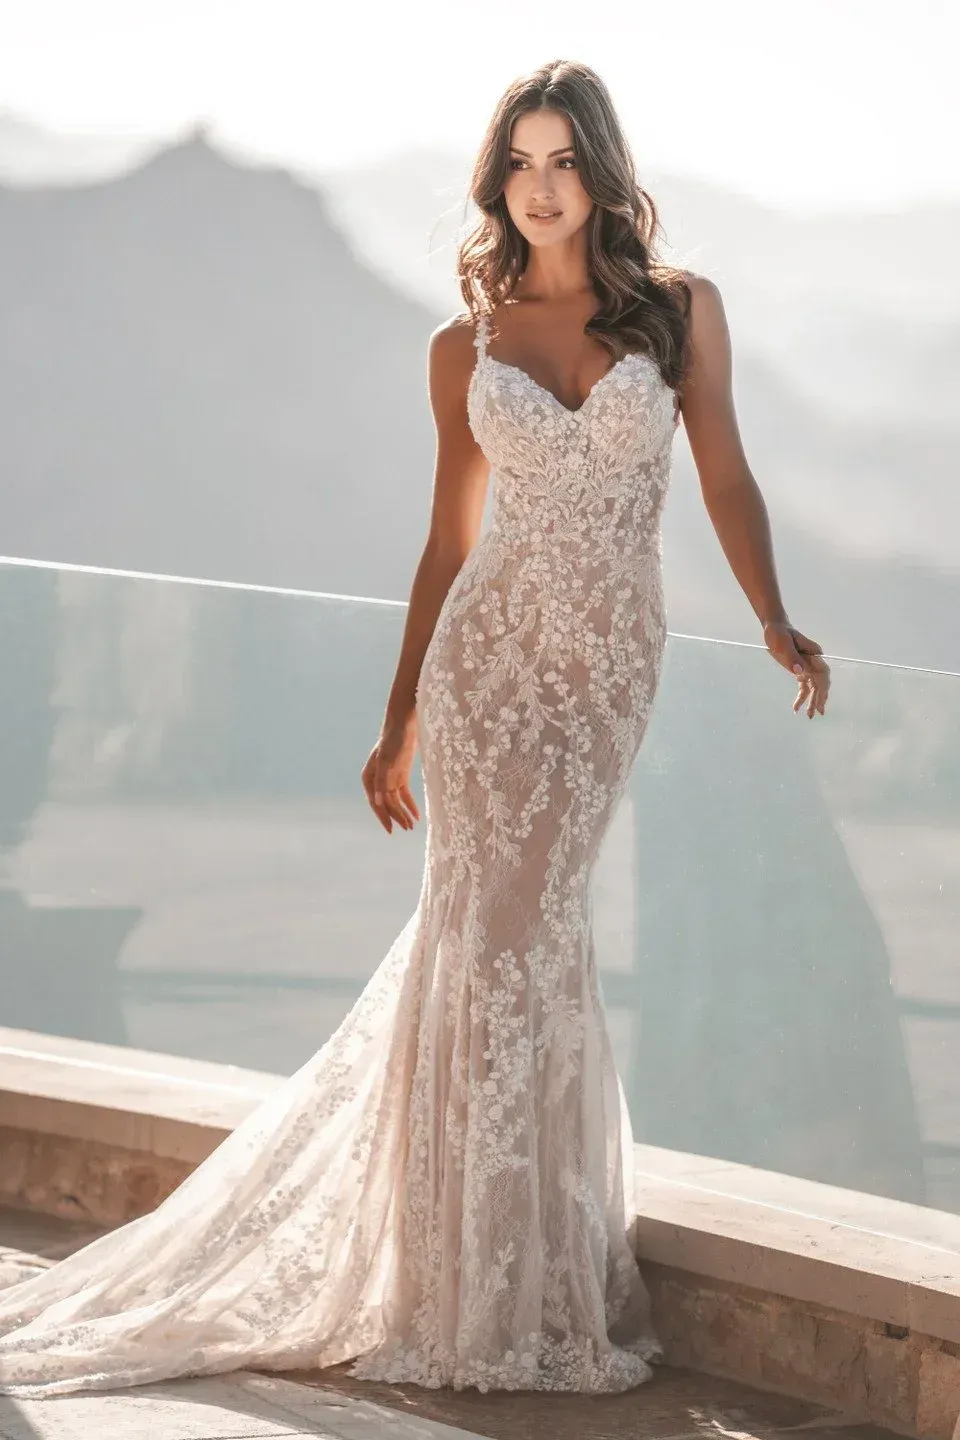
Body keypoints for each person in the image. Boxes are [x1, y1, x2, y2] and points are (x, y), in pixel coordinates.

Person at [0, 58, 829, 1400]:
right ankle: (469, 1284)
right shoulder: (469, 343)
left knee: (526, 934)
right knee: (491, 936)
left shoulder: (680, 316)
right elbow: (449, 541)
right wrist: (397, 722)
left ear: (603, 173)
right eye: (521, 162)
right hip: (487, 665)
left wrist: (780, 621)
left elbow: (724, 473)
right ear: (497, 181)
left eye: (565, 159)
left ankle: (512, 1268)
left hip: (610, 669)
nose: (543, 186)